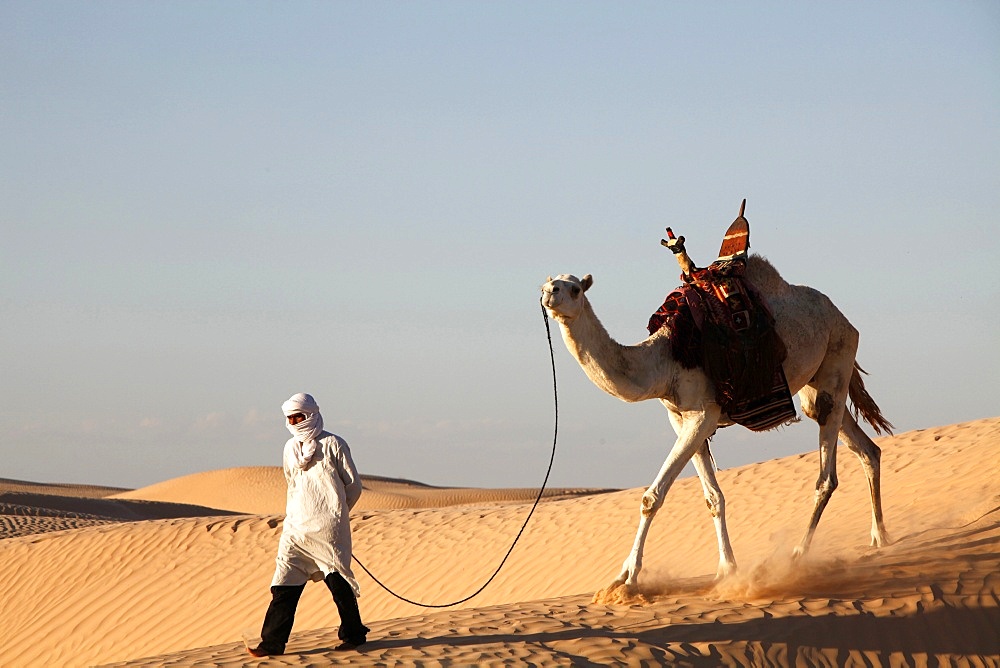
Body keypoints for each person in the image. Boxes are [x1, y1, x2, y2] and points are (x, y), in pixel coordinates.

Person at [248, 392, 369, 657]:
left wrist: (335, 512)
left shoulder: (334, 444)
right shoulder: (290, 448)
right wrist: (297, 516)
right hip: (296, 529)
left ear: (311, 415)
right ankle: (271, 644)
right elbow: (292, 484)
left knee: (338, 583)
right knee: (282, 586)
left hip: (328, 529)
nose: (294, 422)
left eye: (298, 416)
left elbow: (354, 486)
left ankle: (354, 634)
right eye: (290, 418)